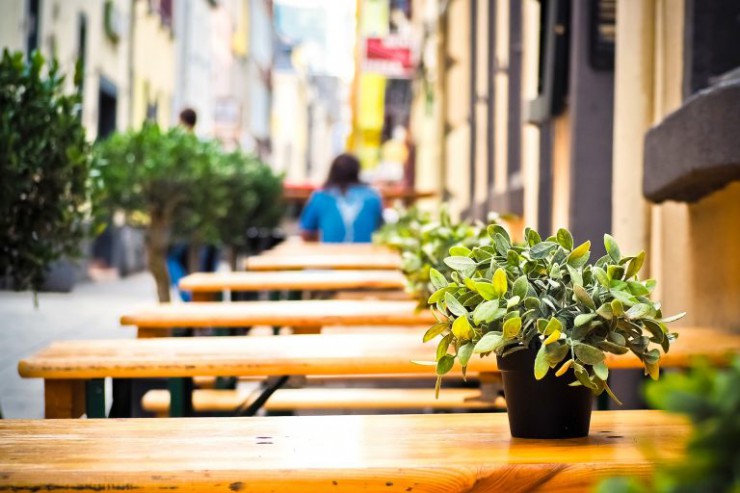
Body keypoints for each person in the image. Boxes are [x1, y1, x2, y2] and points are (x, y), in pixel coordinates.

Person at [299, 153, 383, 243]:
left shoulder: (321, 196)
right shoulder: (372, 196)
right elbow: (380, 229)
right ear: (357, 171)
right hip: (365, 254)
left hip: (330, 254)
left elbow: (306, 232)